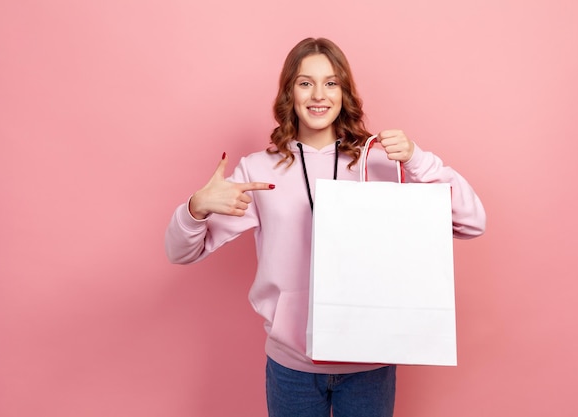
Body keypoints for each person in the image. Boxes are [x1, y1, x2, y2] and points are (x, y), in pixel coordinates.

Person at [165, 37, 486, 417]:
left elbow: (472, 222)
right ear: (290, 93)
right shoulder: (258, 170)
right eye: (305, 83)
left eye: (331, 83)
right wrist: (195, 207)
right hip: (291, 367)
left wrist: (419, 160)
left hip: (370, 362)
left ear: (344, 92)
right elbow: (181, 252)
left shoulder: (380, 161)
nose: (319, 94)